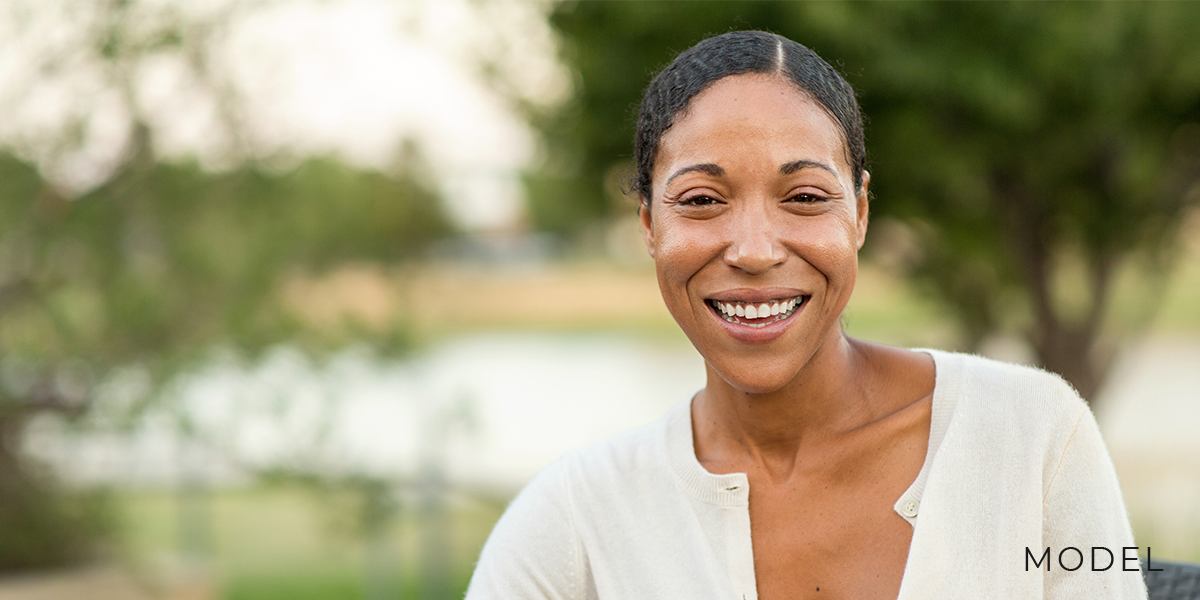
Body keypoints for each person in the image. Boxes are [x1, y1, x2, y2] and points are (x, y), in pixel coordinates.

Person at [466, 30, 1146, 599]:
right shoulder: (576, 521)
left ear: (861, 213)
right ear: (649, 224)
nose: (755, 251)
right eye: (702, 200)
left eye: (806, 196)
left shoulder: (1033, 441)